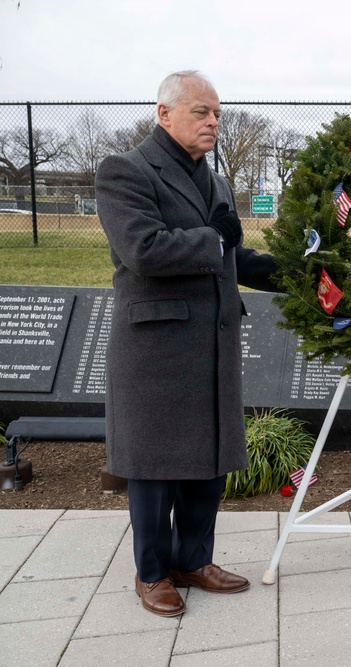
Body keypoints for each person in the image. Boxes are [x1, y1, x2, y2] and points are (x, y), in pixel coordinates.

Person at [95, 70, 279, 617]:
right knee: (153, 466)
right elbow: (143, 249)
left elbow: (231, 258)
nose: (213, 122)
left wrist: (293, 271)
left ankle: (194, 560)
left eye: (217, 113)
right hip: (155, 347)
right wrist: (216, 236)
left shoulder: (216, 182)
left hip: (212, 342)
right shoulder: (123, 171)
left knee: (207, 460)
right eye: (201, 112)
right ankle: (152, 572)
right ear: (164, 114)